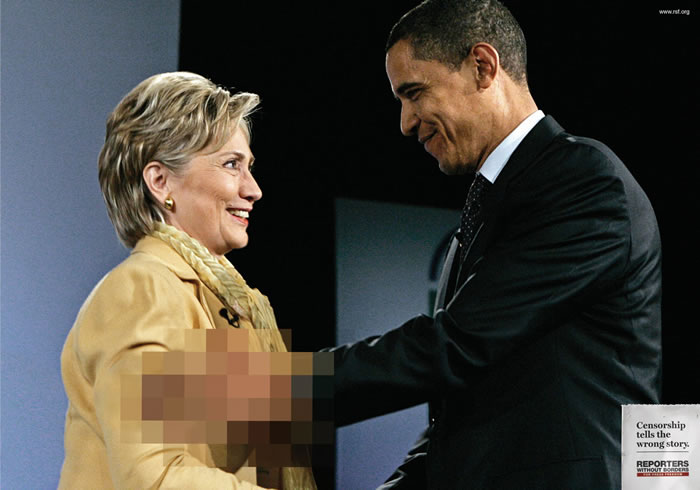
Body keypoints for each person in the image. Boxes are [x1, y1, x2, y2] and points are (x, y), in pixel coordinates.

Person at [326, 1, 662, 488]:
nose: (405, 122)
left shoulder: (585, 181)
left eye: (414, 93)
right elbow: (462, 414)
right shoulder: (491, 206)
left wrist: (258, 392)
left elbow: (455, 347)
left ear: (482, 66)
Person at [59, 72, 316, 489]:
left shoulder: (237, 303)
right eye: (231, 165)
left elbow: (253, 459)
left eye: (249, 167)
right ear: (160, 181)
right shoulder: (141, 289)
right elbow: (154, 476)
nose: (253, 189)